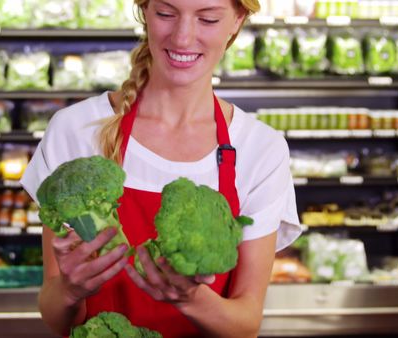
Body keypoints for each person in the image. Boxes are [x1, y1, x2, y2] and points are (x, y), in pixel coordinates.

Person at [20, 0, 302, 337]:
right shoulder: (76, 129)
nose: (183, 38)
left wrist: (190, 298)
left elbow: (245, 324)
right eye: (166, 14)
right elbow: (55, 317)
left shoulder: (260, 148)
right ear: (145, 12)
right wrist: (69, 289)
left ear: (237, 20)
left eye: (208, 19)